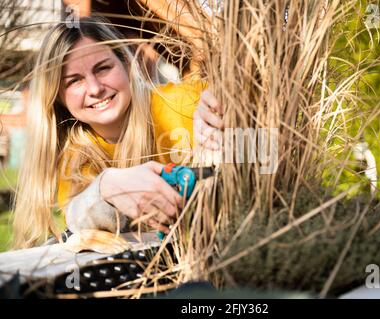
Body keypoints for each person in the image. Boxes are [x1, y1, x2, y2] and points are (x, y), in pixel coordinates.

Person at [12, 16, 224, 249]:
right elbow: (79, 220)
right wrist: (105, 188)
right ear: (58, 97)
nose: (95, 89)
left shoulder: (183, 102)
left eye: (103, 68)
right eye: (74, 81)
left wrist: (227, 124)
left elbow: (265, 147)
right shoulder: (74, 158)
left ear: (125, 63)